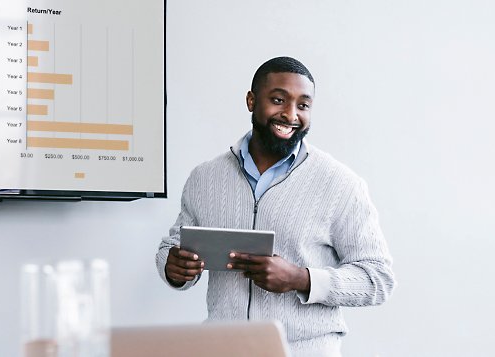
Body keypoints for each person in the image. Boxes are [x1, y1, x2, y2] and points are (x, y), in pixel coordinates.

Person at [155, 56, 396, 356]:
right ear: (251, 100)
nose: (290, 114)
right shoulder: (205, 177)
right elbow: (173, 246)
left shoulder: (340, 183)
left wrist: (301, 279)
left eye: (303, 105)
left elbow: (377, 279)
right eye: (278, 100)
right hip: (222, 348)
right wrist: (174, 268)